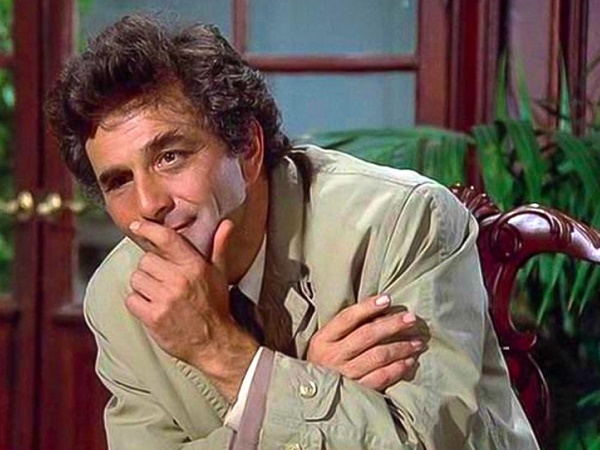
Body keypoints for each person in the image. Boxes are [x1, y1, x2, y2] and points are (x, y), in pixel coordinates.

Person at [46, 15, 539, 450]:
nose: (149, 203)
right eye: (119, 181)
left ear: (247, 148)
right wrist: (313, 386)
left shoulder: (402, 223)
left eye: (170, 156)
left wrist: (220, 351)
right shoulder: (118, 298)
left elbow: (426, 443)